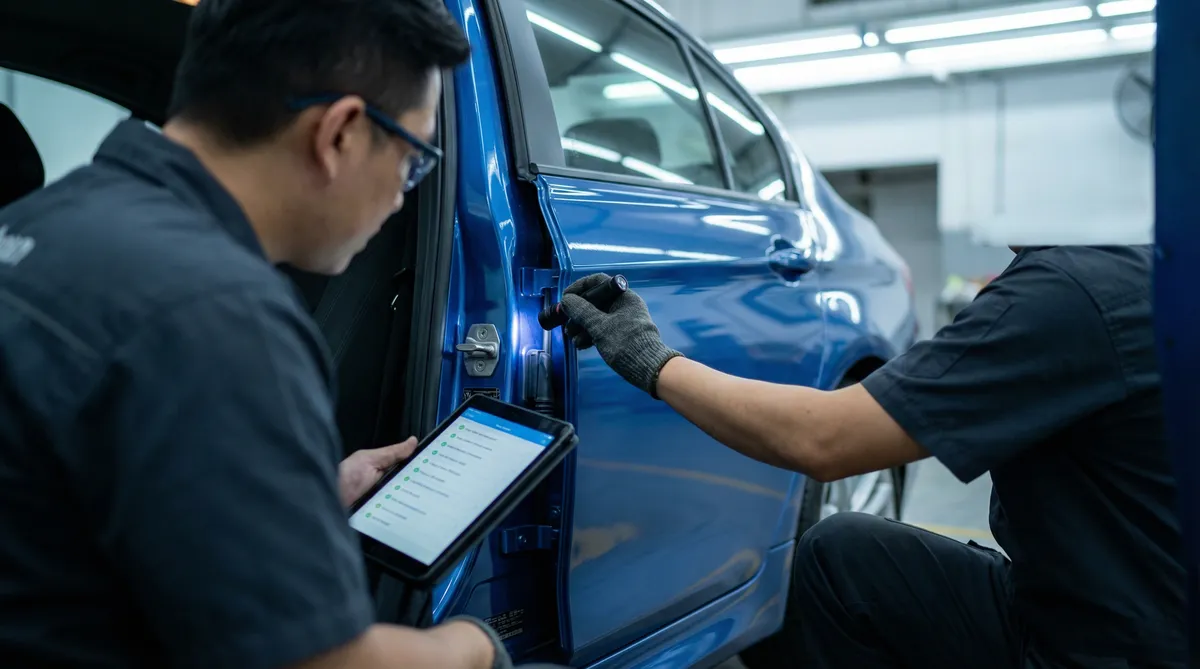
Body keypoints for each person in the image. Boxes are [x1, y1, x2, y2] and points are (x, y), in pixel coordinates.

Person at [0, 0, 532, 667]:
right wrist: (475, 646)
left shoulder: (44, 221)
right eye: (413, 159)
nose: (403, 196)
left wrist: (290, 496)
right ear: (339, 132)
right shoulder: (222, 312)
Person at [559, 245, 1187, 668]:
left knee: (832, 564)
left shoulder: (1072, 294)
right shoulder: (1151, 280)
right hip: (1151, 610)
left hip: (1109, 646)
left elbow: (822, 440)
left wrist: (653, 360)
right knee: (848, 553)